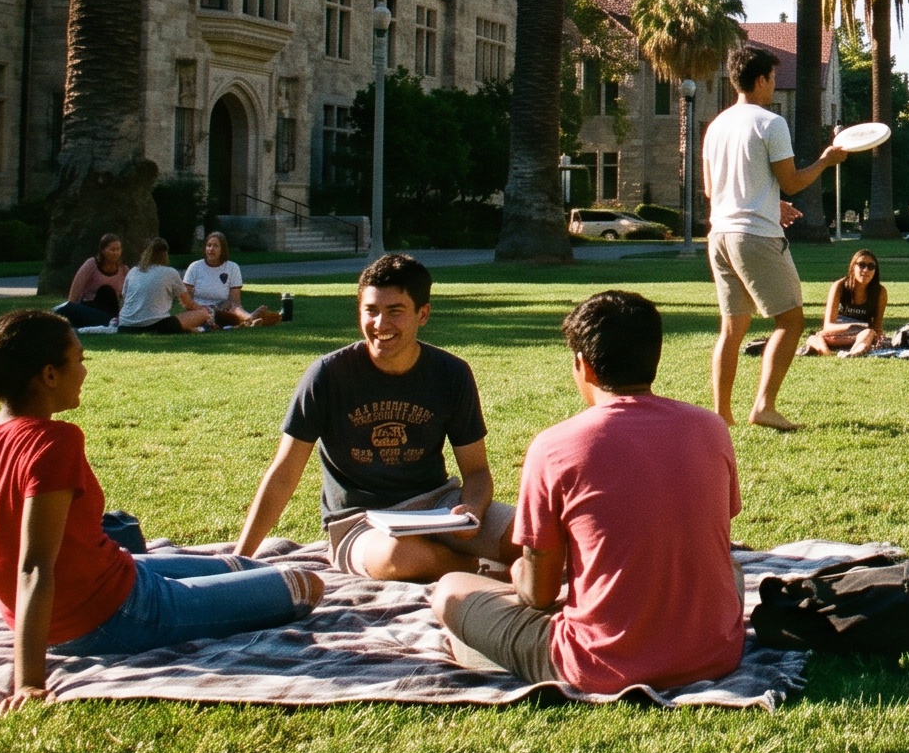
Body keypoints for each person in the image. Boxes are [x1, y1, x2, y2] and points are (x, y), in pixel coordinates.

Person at [0, 310, 322, 711]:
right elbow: (34, 566)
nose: (86, 369)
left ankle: (216, 578)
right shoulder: (52, 443)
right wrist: (29, 682)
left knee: (239, 564)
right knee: (305, 584)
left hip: (115, 578)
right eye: (79, 359)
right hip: (113, 616)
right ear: (47, 375)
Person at [431, 290, 744, 694]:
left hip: (601, 662)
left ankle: (491, 653)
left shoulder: (555, 446)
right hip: (713, 652)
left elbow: (538, 595)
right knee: (731, 569)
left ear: (584, 366)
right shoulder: (711, 429)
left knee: (451, 590)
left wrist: (518, 572)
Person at [234, 253, 516, 582]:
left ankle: (494, 564)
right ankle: (482, 570)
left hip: (439, 509)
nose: (380, 324)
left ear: (422, 314)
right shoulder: (327, 375)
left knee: (534, 538)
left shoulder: (451, 373)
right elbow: (283, 473)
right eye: (371, 310)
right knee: (399, 557)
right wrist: (240, 561)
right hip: (358, 522)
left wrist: (473, 510)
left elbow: (477, 471)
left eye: (395, 311)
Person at [701, 44, 848, 432]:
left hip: (719, 235)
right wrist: (827, 159)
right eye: (773, 80)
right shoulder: (770, 123)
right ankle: (764, 406)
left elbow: (711, 189)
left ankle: (721, 414)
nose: (772, 87)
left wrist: (771, 204)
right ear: (762, 79)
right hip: (754, 237)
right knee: (791, 320)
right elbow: (793, 181)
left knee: (732, 328)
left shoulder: (716, 126)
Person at [182, 231, 280, 330]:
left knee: (231, 306)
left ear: (222, 250)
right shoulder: (195, 267)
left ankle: (250, 318)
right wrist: (198, 310)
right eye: (209, 245)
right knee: (214, 317)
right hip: (199, 310)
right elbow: (186, 299)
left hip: (223, 309)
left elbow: (235, 301)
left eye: (216, 246)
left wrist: (235, 312)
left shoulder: (232, 267)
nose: (211, 249)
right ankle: (249, 320)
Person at [804, 250, 888, 357]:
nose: (866, 270)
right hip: (836, 334)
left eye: (871, 266)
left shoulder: (880, 292)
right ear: (853, 267)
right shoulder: (839, 286)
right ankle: (827, 353)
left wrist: (877, 336)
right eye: (862, 265)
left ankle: (852, 354)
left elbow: (877, 326)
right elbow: (828, 326)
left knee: (868, 333)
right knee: (817, 337)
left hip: (861, 335)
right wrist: (857, 326)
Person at [115, 238, 207, 335]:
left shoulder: (133, 271)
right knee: (203, 314)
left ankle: (186, 328)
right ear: (165, 255)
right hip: (157, 325)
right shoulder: (170, 272)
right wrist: (204, 309)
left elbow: (124, 299)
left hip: (125, 326)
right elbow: (188, 303)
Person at [59, 235, 128, 330]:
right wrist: (72, 308)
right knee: (64, 310)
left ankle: (107, 321)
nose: (116, 253)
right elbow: (76, 290)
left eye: (118, 249)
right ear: (103, 250)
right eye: (112, 250)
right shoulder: (92, 264)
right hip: (90, 307)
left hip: (111, 311)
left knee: (107, 291)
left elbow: (128, 295)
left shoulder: (123, 269)